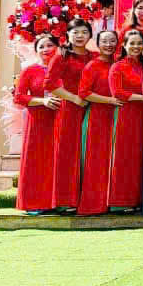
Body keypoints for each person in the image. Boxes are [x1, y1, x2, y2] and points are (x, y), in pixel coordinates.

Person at [14, 34, 59, 213]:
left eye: (50, 45)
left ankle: (58, 202)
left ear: (58, 47)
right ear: (36, 51)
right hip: (38, 121)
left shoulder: (64, 68)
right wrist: (43, 101)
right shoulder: (30, 70)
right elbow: (19, 97)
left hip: (61, 119)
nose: (46, 49)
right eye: (41, 46)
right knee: (36, 160)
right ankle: (34, 203)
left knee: (57, 160)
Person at [76, 22, 118, 215]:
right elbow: (84, 93)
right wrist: (110, 100)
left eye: (112, 41)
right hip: (97, 117)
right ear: (98, 44)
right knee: (96, 159)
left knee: (113, 158)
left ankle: (113, 200)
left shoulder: (118, 64)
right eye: (105, 41)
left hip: (116, 116)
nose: (109, 45)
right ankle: (93, 203)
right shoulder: (92, 65)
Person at [44, 29, 87, 211]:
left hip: (91, 107)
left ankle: (87, 198)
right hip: (69, 108)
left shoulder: (94, 56)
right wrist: (74, 98)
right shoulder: (61, 56)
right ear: (68, 34)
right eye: (76, 32)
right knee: (67, 152)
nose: (80, 36)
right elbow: (49, 84)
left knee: (88, 153)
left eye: (84, 32)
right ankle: (65, 200)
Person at [108, 29, 143, 212]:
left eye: (139, 43)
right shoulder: (118, 66)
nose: (136, 47)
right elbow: (117, 92)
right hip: (127, 115)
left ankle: (141, 198)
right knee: (126, 156)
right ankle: (123, 200)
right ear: (124, 45)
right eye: (132, 43)